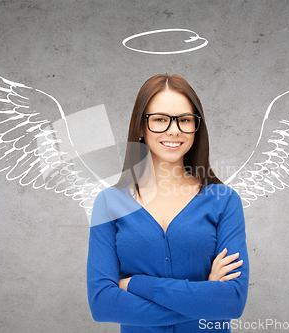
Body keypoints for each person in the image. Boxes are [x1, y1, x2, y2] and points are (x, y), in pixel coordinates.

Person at [86, 74, 249, 332]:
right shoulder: (108, 204)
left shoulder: (224, 201)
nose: (174, 130)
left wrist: (135, 284)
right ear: (141, 127)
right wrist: (204, 298)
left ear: (196, 128)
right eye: (160, 119)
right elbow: (102, 304)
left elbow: (231, 302)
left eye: (184, 120)